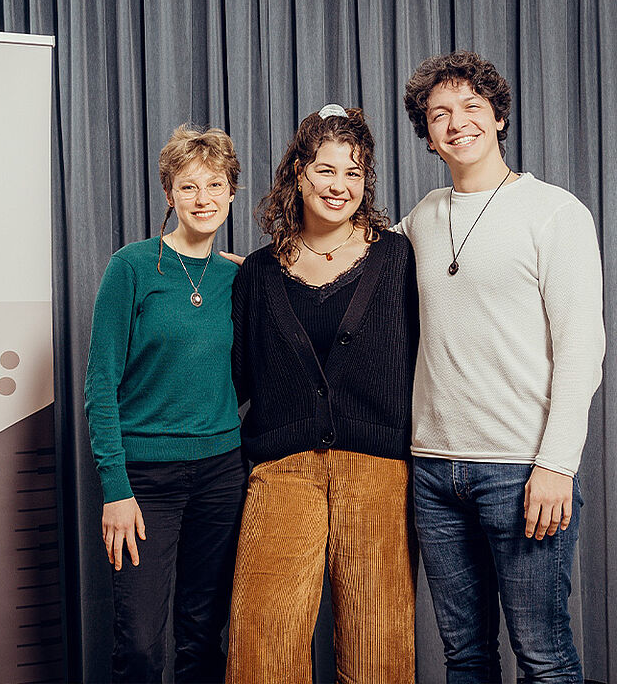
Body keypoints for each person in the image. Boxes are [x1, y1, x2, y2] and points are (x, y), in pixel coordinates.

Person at [400, 51, 605, 683]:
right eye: (439, 114)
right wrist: (252, 268)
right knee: (465, 656)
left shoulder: (554, 211)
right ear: (428, 137)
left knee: (543, 656)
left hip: (520, 469)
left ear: (498, 117)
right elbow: (344, 256)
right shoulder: (422, 219)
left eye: (470, 107)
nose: (456, 123)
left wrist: (556, 466)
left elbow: (582, 346)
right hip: (431, 470)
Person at [225, 105, 419, 683]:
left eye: (354, 173)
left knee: (378, 646)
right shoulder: (257, 274)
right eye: (327, 170)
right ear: (299, 175)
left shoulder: (398, 257)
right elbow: (233, 374)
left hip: (379, 471)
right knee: (261, 642)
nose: (340, 186)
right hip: (282, 470)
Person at [84, 125, 247, 683]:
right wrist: (116, 489)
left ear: (232, 193)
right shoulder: (130, 268)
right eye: (189, 186)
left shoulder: (241, 277)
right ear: (169, 194)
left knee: (204, 635)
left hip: (222, 476)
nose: (203, 199)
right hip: (144, 480)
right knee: (140, 643)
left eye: (216, 185)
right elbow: (100, 384)